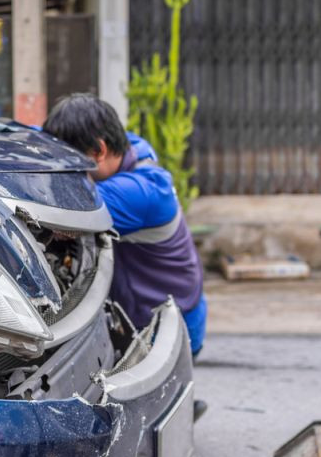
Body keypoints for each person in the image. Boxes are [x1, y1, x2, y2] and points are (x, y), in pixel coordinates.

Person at [43, 93, 207, 360]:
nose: (66, 174)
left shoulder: (138, 193)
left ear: (99, 151)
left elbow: (57, 219)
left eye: (70, 166)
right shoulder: (133, 147)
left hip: (165, 328)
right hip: (167, 304)